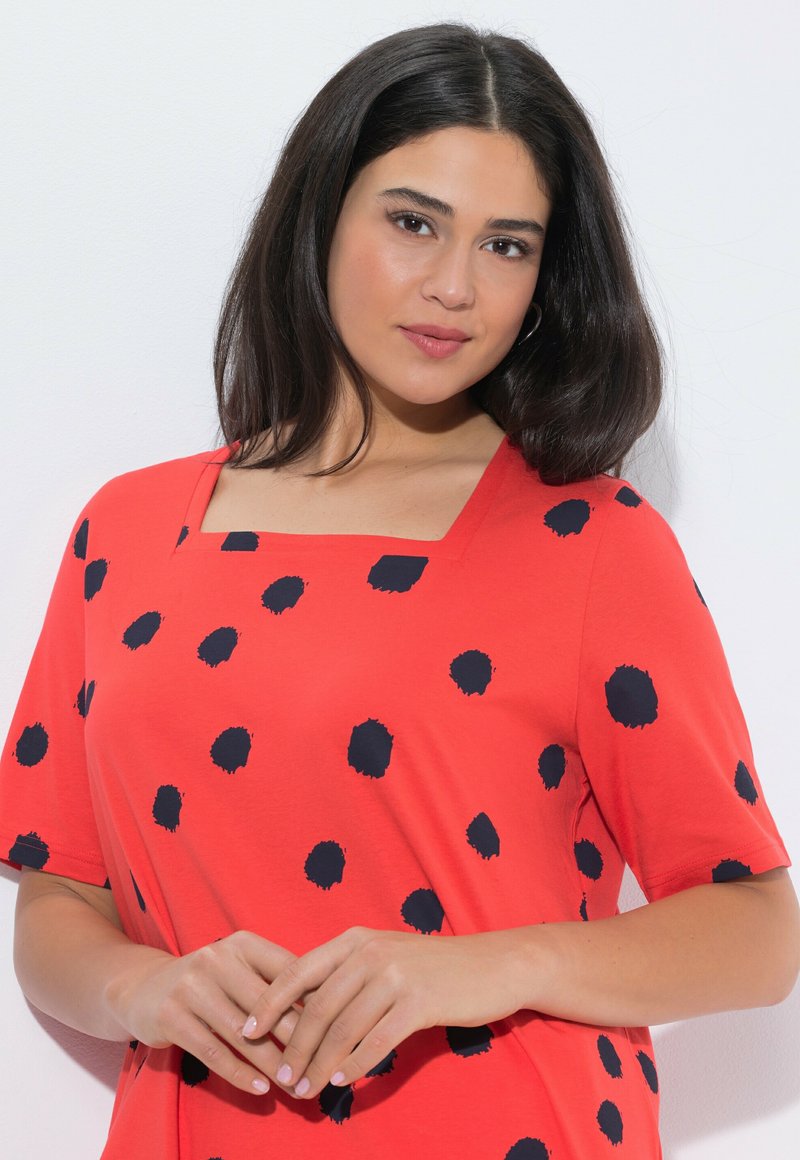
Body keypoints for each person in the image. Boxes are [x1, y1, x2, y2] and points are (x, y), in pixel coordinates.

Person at [2, 20, 797, 1160]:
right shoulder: (125, 531)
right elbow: (57, 901)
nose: (454, 287)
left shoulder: (588, 541)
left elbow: (757, 931)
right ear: (319, 214)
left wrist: (478, 967)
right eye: (413, 222)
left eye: (507, 246)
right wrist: (143, 989)